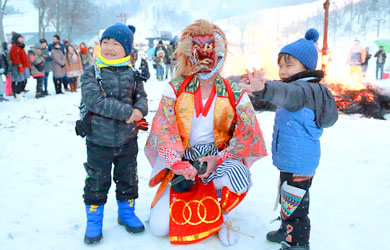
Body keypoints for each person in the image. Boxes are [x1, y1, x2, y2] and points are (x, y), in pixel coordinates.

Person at [145, 19, 267, 246]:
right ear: (188, 54)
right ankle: (182, 196)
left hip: (218, 163)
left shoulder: (235, 92)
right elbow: (162, 131)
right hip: (183, 165)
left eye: (211, 52)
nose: (205, 59)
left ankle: (222, 214)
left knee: (239, 176)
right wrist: (176, 163)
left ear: (221, 54)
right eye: (198, 52)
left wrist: (219, 158)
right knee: (158, 228)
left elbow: (250, 135)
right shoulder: (174, 89)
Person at [240, 28, 338, 250]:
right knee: (291, 196)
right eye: (281, 66)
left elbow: (284, 93)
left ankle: (297, 243)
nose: (283, 71)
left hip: (297, 160)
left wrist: (264, 89)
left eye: (289, 65)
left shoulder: (301, 90)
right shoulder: (313, 88)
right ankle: (286, 229)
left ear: (306, 66)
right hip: (297, 159)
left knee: (297, 207)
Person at [81, 23, 148, 245]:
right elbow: (94, 101)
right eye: (105, 43)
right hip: (99, 141)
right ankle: (94, 221)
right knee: (97, 181)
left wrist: (140, 110)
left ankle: (126, 213)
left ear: (127, 49)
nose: (109, 47)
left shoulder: (133, 73)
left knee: (128, 178)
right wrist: (130, 113)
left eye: (116, 44)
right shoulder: (92, 72)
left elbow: (142, 99)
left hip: (128, 140)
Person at [9, 32, 31, 100]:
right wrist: (19, 64)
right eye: (20, 38)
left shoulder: (21, 46)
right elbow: (15, 57)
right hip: (19, 66)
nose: (21, 39)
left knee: (24, 80)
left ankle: (20, 93)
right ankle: (18, 94)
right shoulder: (14, 46)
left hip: (25, 65)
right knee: (19, 81)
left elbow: (25, 57)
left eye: (21, 38)